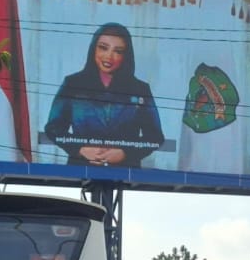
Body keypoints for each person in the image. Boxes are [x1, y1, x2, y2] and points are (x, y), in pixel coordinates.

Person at [43, 22, 164, 167]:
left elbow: (155, 137)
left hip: (125, 174)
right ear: (93, 49)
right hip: (81, 170)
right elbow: (54, 128)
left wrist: (125, 153)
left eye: (118, 51)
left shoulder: (140, 89)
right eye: (103, 48)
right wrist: (80, 149)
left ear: (126, 56)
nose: (109, 56)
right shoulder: (73, 84)